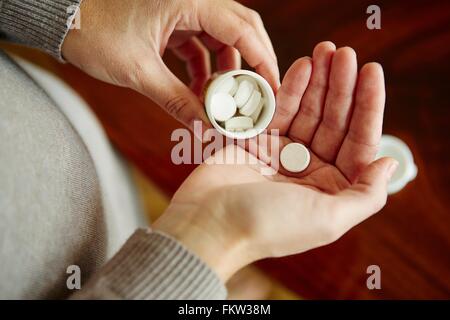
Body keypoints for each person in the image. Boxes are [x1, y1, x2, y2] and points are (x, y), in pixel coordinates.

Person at [0, 0, 397, 299]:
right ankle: (200, 279)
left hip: (86, 163)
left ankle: (184, 270)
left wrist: (68, 14)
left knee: (121, 214)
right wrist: (207, 242)